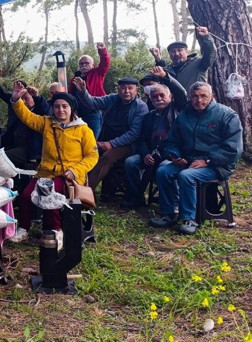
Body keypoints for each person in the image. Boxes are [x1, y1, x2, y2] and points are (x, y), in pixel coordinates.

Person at [8, 84, 98, 242]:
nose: (60, 110)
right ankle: (24, 228)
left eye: (65, 106)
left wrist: (75, 170)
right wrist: (16, 99)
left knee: (50, 196)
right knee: (25, 196)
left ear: (72, 109)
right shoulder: (47, 123)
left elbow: (92, 156)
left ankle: (56, 231)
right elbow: (27, 117)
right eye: (56, 106)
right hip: (45, 173)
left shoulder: (84, 130)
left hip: (69, 176)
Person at [150, 82, 242, 235]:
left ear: (211, 96)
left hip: (218, 165)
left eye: (203, 96)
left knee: (186, 176)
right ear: (190, 98)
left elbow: (234, 149)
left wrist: (207, 161)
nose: (199, 100)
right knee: (163, 171)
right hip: (189, 160)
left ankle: (189, 219)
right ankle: (169, 213)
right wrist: (175, 155)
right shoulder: (185, 114)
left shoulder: (227, 115)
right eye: (194, 96)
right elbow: (171, 141)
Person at [74, 76, 148, 200]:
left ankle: (84, 194)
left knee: (107, 157)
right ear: (118, 90)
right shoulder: (113, 99)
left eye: (130, 88)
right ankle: (72, 186)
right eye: (123, 88)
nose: (126, 91)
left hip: (128, 145)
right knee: (85, 153)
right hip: (105, 140)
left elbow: (134, 133)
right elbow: (93, 103)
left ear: (136, 91)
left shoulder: (141, 107)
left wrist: (112, 144)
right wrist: (83, 92)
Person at [122, 67, 187, 208]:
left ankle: (173, 206)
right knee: (131, 162)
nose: (158, 99)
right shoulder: (149, 117)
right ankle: (136, 198)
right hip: (152, 154)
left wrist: (165, 76)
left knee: (164, 168)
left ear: (170, 97)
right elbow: (142, 139)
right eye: (155, 96)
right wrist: (145, 154)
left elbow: (181, 92)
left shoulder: (179, 110)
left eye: (162, 95)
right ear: (150, 99)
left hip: (173, 155)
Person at [0, 68, 50, 166]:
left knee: (1, 158)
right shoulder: (17, 107)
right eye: (21, 99)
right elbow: (1, 93)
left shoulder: (39, 111)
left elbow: (47, 111)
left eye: (26, 98)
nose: (23, 102)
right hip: (14, 143)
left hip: (30, 150)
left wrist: (37, 97)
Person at [150, 26, 216, 91]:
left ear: (187, 51)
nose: (176, 54)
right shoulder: (171, 69)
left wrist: (206, 37)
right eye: (173, 51)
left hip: (197, 101)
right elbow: (165, 76)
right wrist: (158, 59)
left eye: (180, 50)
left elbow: (210, 54)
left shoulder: (199, 63)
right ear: (170, 55)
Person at [68, 43, 110, 138]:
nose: (84, 65)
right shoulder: (74, 79)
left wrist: (102, 50)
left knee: (92, 139)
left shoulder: (97, 74)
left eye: (87, 63)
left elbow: (105, 63)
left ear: (92, 65)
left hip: (93, 113)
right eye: (81, 63)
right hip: (78, 115)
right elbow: (71, 95)